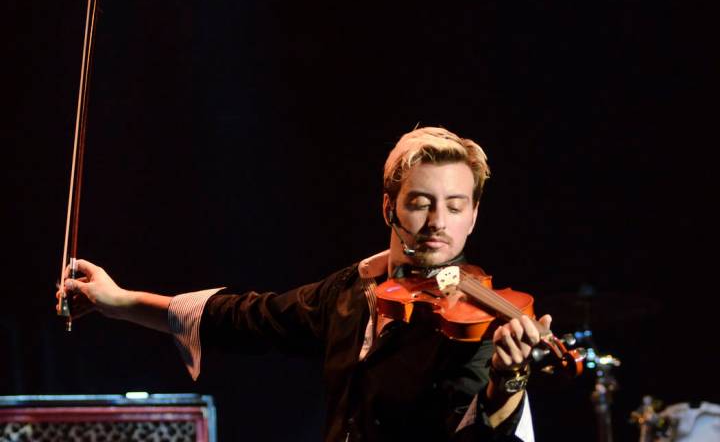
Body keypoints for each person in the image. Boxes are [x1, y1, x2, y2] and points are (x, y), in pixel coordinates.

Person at [59, 126, 551, 441]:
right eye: (421, 202)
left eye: (456, 205)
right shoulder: (351, 293)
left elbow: (479, 435)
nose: (438, 222)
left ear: (474, 216)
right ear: (389, 208)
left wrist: (508, 380)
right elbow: (247, 317)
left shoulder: (477, 325)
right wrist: (120, 302)